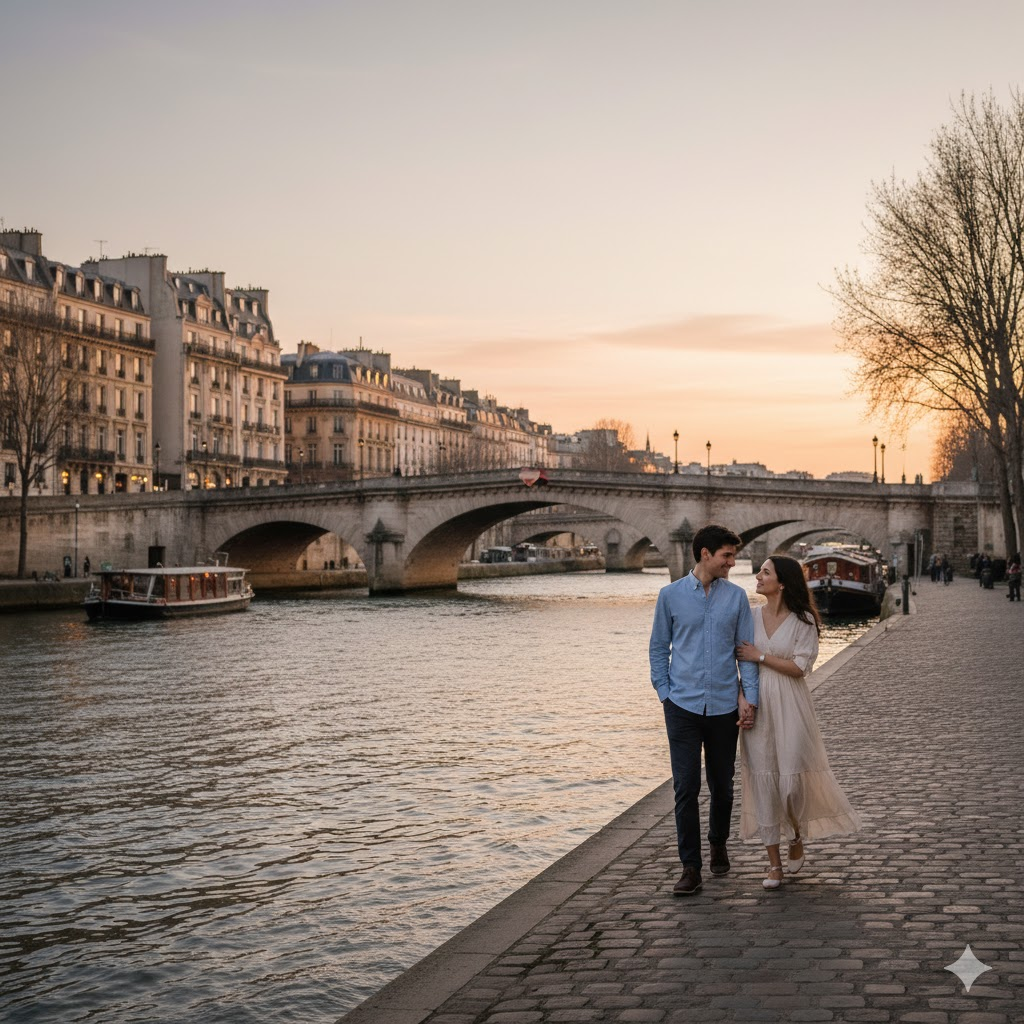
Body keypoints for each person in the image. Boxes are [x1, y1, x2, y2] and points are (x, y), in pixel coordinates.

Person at [736, 555, 861, 890]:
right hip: (758, 704)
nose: (758, 576)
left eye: (765, 572)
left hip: (790, 703)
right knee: (764, 781)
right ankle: (773, 864)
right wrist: (743, 700)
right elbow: (739, 665)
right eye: (760, 571)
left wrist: (760, 656)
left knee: (791, 783)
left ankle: (795, 833)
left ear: (783, 582)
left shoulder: (803, 620)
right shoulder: (748, 617)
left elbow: (800, 668)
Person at [650, 523, 759, 897]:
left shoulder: (737, 598)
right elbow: (657, 647)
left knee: (722, 786)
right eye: (727, 555)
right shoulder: (670, 596)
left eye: (733, 555)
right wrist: (665, 692)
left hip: (725, 705)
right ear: (705, 554)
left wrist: (750, 696)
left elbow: (745, 653)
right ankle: (690, 867)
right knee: (685, 787)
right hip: (681, 704)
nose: (732, 562)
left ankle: (718, 841)